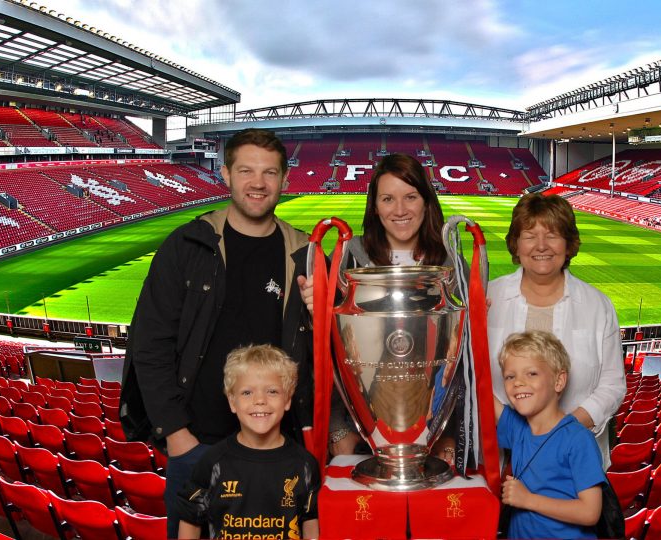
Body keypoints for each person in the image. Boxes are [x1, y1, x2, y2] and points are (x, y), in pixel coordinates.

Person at [119, 128, 314, 538]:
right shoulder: (187, 245)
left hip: (279, 449)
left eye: (269, 172)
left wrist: (320, 312)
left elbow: (323, 353)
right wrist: (177, 434)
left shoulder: (305, 254)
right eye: (246, 170)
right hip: (197, 444)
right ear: (224, 175)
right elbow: (149, 344)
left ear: (284, 179)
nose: (257, 183)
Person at [297, 153, 454, 456]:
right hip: (360, 427)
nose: (400, 210)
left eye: (410, 196)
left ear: (426, 201)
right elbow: (329, 351)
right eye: (387, 199)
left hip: (432, 428)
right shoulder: (349, 257)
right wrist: (336, 428)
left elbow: (460, 362)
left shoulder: (449, 263)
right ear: (375, 206)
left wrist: (448, 432)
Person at [487, 193, 625, 468]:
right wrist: (515, 431)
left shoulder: (598, 304)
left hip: (573, 462)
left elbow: (612, 385)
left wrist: (560, 432)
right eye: (529, 235)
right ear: (516, 243)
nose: (541, 246)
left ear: (568, 243)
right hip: (498, 460)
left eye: (552, 235)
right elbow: (470, 376)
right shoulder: (489, 297)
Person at [178, 344, 320, 539]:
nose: (259, 400)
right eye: (247, 392)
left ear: (287, 400)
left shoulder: (304, 464)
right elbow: (190, 521)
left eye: (272, 391)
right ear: (232, 401)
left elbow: (311, 523)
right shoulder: (212, 463)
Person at [494, 331, 604, 539]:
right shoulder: (518, 428)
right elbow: (478, 387)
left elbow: (590, 512)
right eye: (510, 376)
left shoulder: (578, 439)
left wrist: (527, 500)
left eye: (531, 373)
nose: (518, 382)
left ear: (559, 381)